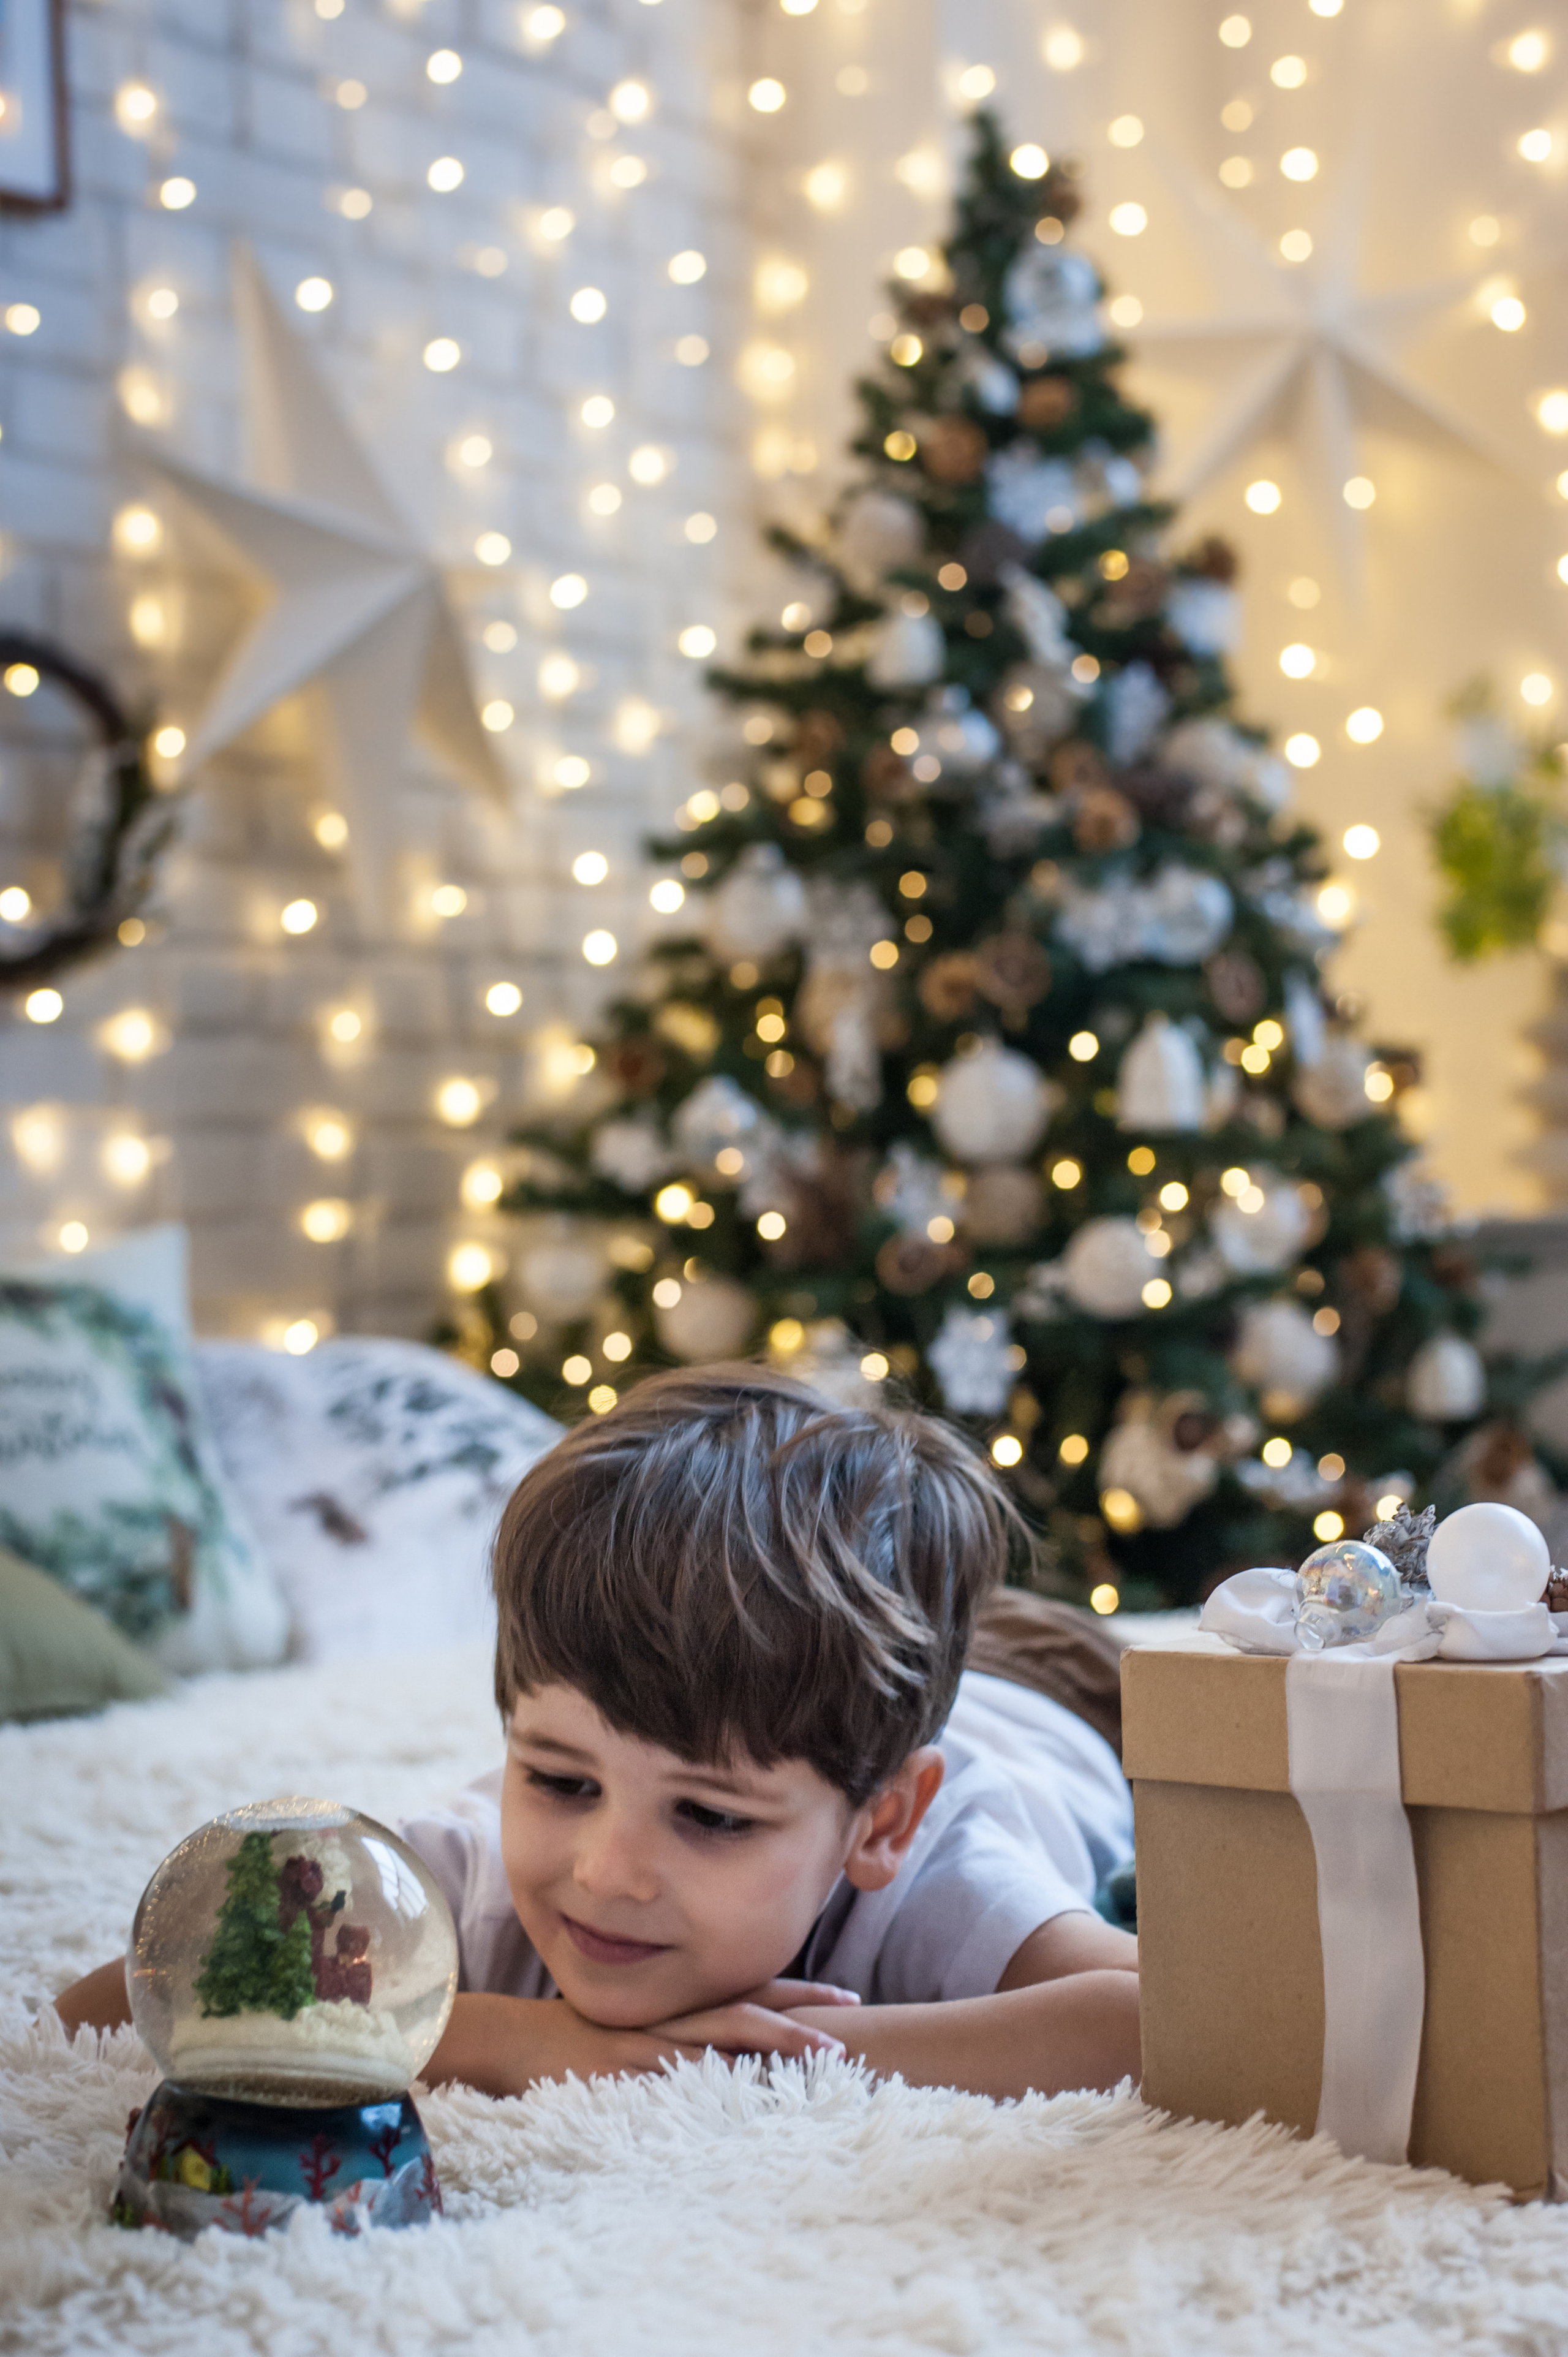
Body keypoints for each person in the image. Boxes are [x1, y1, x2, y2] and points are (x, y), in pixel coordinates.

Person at [55, 1366, 1139, 2102]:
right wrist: (547, 2045)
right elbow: (122, 2000)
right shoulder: (463, 1874)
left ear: (882, 1820)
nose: (607, 1875)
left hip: (1062, 1693)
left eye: (711, 1815)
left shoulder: (938, 1873)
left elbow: (1154, 2017)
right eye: (563, 1781)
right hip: (847, 1682)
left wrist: (780, 2060)